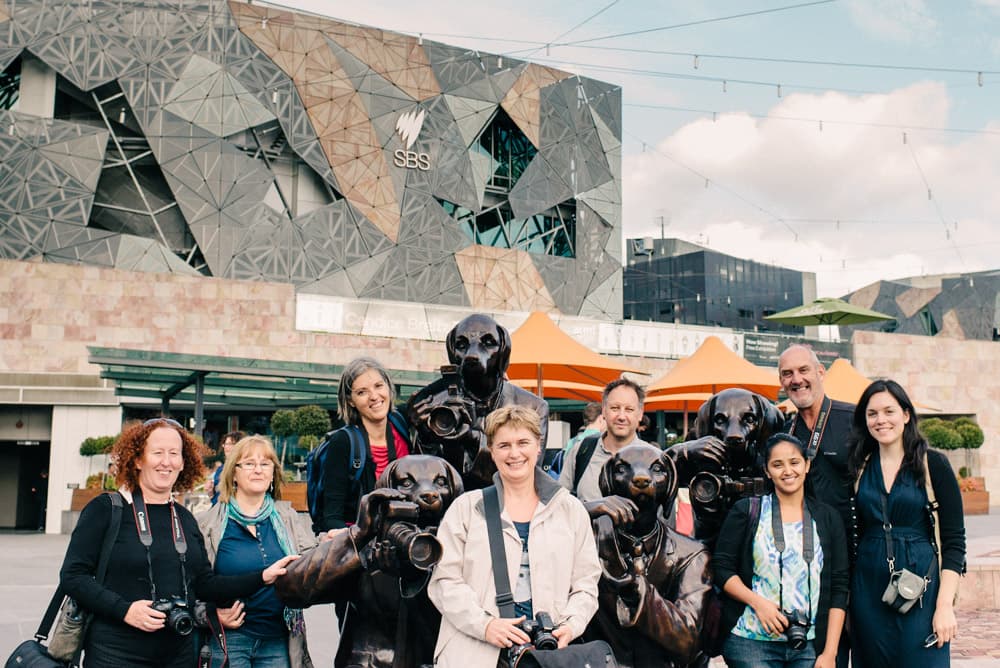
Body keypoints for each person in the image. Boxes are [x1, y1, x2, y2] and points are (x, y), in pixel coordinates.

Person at [60, 417, 298, 668]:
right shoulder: (107, 509)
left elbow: (206, 585)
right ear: (138, 459)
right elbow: (73, 576)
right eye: (158, 453)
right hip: (115, 653)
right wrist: (125, 610)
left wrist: (263, 577)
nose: (167, 461)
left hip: (179, 653)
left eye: (174, 453)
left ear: (184, 462)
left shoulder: (184, 519)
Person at [428, 405, 600, 668]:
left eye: (523, 443)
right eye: (504, 445)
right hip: (475, 651)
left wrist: (570, 625)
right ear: (492, 451)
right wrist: (485, 625)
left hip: (546, 653)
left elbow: (586, 584)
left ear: (538, 446)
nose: (514, 453)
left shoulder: (570, 510)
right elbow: (445, 582)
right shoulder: (466, 509)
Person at [847, 380, 966, 667]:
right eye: (872, 413)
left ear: (906, 414)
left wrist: (944, 606)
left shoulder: (933, 464)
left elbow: (954, 542)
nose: (881, 420)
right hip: (868, 590)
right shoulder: (859, 467)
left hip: (922, 593)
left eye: (889, 411)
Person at [713, 433, 849, 668]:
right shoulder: (746, 511)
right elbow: (722, 568)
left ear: (807, 465)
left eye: (794, 462)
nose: (788, 471)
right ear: (766, 470)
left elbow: (839, 585)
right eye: (777, 464)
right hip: (750, 641)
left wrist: (829, 653)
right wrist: (758, 603)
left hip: (809, 644)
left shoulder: (828, 518)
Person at [197, 435, 317, 668]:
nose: (258, 470)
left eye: (265, 464)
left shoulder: (288, 518)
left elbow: (312, 559)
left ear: (273, 474)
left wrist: (333, 541)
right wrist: (210, 617)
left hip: (279, 639)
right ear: (234, 474)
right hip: (230, 639)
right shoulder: (208, 524)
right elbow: (192, 586)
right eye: (249, 463)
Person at [318, 357, 411, 531]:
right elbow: (332, 517)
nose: (374, 397)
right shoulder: (343, 442)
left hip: (404, 535)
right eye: (362, 392)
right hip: (361, 542)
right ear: (351, 400)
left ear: (389, 388)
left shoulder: (402, 423)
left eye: (378, 386)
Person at [778, 345, 854, 532]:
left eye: (804, 370)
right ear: (781, 381)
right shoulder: (785, 433)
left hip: (854, 544)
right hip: (807, 545)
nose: (796, 379)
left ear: (820, 372)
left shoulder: (854, 419)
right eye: (787, 374)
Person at [559, 378, 649, 503]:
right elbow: (560, 501)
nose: (621, 416)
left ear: (640, 414)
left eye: (629, 409)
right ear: (604, 411)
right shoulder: (582, 451)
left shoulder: (651, 458)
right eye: (615, 408)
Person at [207, 431, 246, 505]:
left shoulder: (244, 468)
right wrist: (211, 493)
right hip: (220, 511)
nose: (228, 447)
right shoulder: (221, 469)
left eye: (232, 444)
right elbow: (216, 500)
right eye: (226, 444)